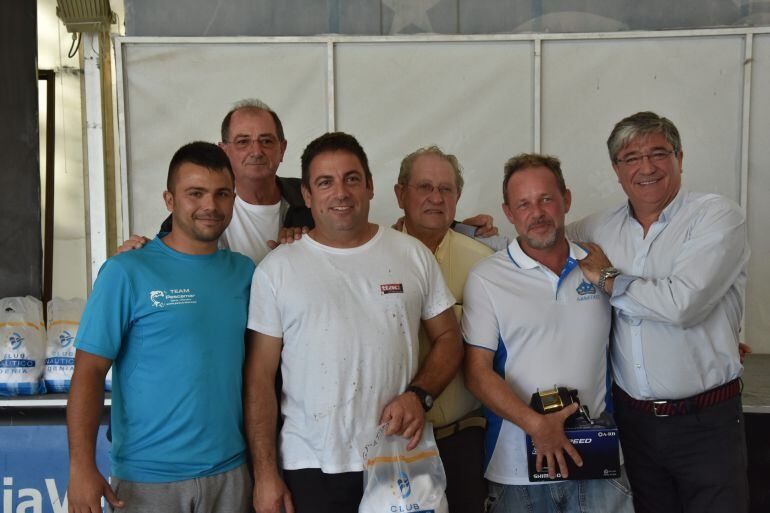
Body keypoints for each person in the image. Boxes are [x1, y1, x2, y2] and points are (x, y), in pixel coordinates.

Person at [244, 132, 464, 513]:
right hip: (311, 465)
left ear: (370, 186)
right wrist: (265, 474)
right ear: (308, 196)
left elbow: (448, 337)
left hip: (400, 455)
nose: (341, 192)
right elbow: (259, 377)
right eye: (325, 182)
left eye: (351, 178)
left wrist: (420, 395)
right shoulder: (277, 270)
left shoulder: (412, 255)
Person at [569, 111, 750, 513]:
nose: (646, 168)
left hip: (706, 422)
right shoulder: (597, 228)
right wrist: (465, 230)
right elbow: (538, 240)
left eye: (658, 154)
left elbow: (682, 305)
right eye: (631, 158)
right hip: (634, 423)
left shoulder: (717, 216)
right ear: (616, 169)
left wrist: (608, 279)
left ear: (680, 158)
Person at [66, 142, 255, 513]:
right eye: (195, 193)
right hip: (147, 480)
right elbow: (88, 372)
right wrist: (81, 466)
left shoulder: (245, 272)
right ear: (170, 200)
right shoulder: (126, 271)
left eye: (222, 194)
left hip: (231, 473)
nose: (210, 206)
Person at [121, 99, 499, 263]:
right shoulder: (200, 212)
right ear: (224, 149)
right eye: (243, 142)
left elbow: (361, 232)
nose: (256, 150)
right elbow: (170, 251)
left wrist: (458, 226)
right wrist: (137, 255)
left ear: (282, 148)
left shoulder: (309, 200)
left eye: (266, 141)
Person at [462, 153, 634, 513]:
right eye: (523, 204)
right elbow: (477, 373)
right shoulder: (487, 277)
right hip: (517, 473)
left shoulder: (600, 266)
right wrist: (538, 426)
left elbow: (645, 320)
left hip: (598, 462)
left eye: (545, 199)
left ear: (566, 199)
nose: (536, 213)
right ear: (508, 213)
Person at [393, 145, 493, 513]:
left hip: (461, 441)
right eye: (424, 187)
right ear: (400, 194)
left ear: (458, 196)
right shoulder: (375, 255)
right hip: (393, 442)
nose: (436, 198)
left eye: (446, 189)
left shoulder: (484, 262)